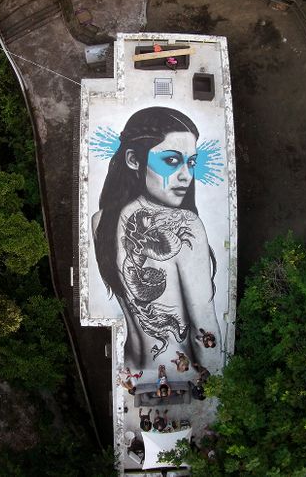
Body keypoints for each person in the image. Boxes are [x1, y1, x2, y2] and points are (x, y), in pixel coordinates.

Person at [92, 107, 221, 369]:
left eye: (191, 162)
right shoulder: (187, 225)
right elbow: (204, 331)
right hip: (178, 373)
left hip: (133, 368)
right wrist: (218, 383)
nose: (186, 175)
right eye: (171, 160)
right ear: (133, 159)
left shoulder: (100, 220)